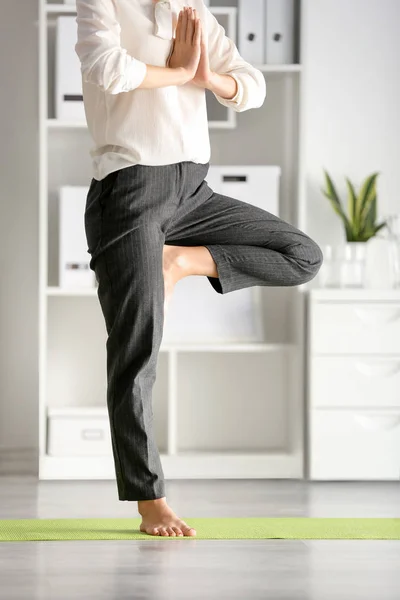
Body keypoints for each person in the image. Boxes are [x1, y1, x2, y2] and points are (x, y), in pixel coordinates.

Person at [75, 0, 323, 538]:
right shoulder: (103, 3)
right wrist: (181, 72)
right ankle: (150, 500)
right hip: (130, 192)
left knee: (302, 255)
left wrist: (211, 78)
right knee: (136, 351)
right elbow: (105, 68)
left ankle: (184, 260)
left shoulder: (190, 9)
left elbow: (251, 84)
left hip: (193, 191)